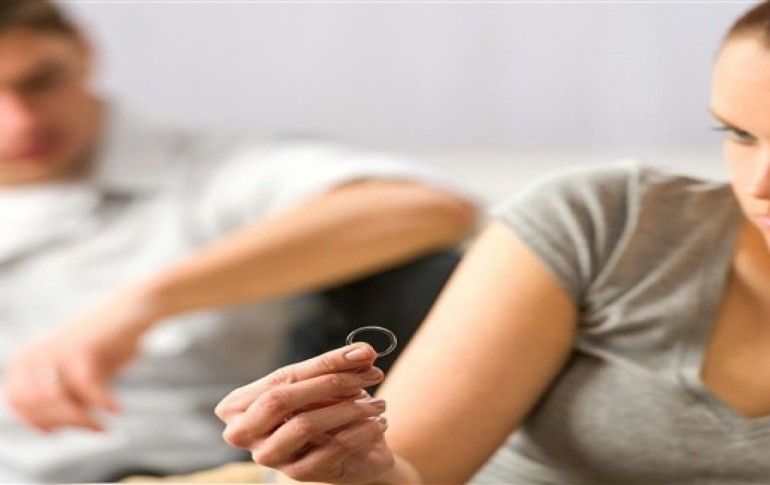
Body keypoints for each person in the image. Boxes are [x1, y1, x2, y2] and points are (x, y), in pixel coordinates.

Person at [214, 2, 770, 483]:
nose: (758, 185)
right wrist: (356, 473)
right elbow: (409, 473)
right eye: (739, 134)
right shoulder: (607, 223)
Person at [0, 1, 478, 482]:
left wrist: (146, 302)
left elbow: (423, 208)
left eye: (42, 82)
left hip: (198, 466)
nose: (22, 121)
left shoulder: (210, 172)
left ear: (83, 52)